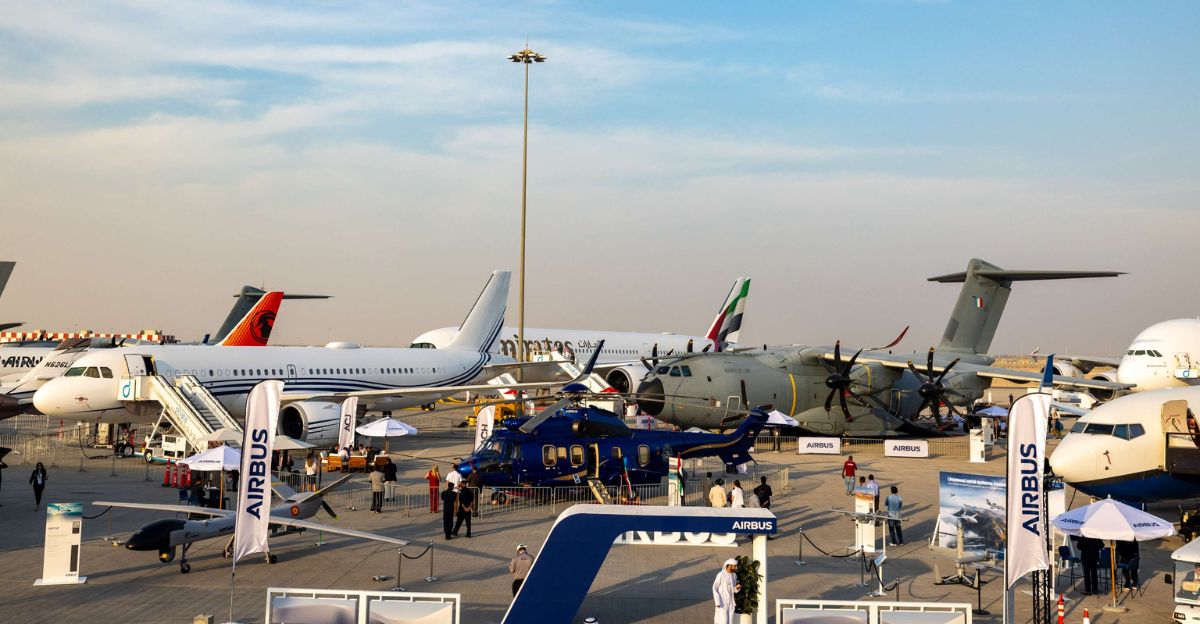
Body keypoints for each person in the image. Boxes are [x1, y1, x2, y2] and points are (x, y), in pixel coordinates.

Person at [711, 558, 741, 624]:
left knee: (730, 622)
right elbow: (714, 588)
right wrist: (717, 601)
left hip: (731, 603)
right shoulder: (721, 574)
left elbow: (733, 589)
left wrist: (737, 588)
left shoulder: (734, 575)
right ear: (729, 565)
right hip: (722, 603)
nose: (736, 568)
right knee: (723, 621)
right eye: (734, 566)